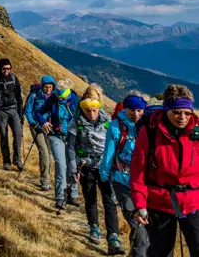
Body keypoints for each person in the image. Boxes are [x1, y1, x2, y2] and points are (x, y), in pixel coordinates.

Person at [132, 85, 199, 257]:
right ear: (166, 110)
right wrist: (140, 204)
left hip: (193, 202)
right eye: (177, 112)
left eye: (187, 112)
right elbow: (138, 171)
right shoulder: (150, 133)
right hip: (159, 202)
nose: (182, 117)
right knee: (161, 252)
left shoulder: (196, 133)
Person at [69, 84, 124, 254]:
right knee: (91, 198)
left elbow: (114, 145)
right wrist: (73, 168)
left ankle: (113, 237)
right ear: (83, 107)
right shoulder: (76, 122)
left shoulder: (108, 122)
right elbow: (70, 147)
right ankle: (94, 227)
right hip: (86, 167)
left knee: (109, 201)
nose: (91, 114)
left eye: (94, 110)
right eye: (88, 110)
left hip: (105, 168)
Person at [100, 90, 149, 257]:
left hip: (143, 184)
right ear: (125, 109)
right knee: (138, 225)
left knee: (144, 229)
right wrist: (105, 177)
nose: (135, 114)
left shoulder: (148, 126)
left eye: (139, 110)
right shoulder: (115, 126)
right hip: (122, 181)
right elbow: (109, 153)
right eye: (132, 110)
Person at [37, 79, 81, 210]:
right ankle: (60, 197)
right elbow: (38, 112)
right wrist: (44, 122)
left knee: (72, 165)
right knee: (61, 165)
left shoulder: (75, 100)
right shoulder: (52, 99)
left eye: (63, 95)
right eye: (59, 94)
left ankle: (73, 194)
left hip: (73, 137)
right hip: (56, 136)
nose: (61, 98)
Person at [0, 58, 24, 171]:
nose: (6, 71)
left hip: (13, 110)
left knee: (18, 134)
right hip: (1, 111)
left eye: (8, 68)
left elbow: (19, 95)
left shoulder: (13, 78)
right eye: (4, 69)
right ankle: (6, 161)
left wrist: (21, 112)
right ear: (0, 68)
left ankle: (17, 160)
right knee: (4, 136)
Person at [25, 75, 56, 191]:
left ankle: (47, 177)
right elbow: (27, 111)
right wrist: (33, 124)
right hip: (36, 127)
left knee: (50, 153)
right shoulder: (34, 96)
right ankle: (44, 181)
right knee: (44, 152)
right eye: (46, 87)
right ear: (42, 86)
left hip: (48, 127)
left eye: (50, 87)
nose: (48, 90)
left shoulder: (53, 97)